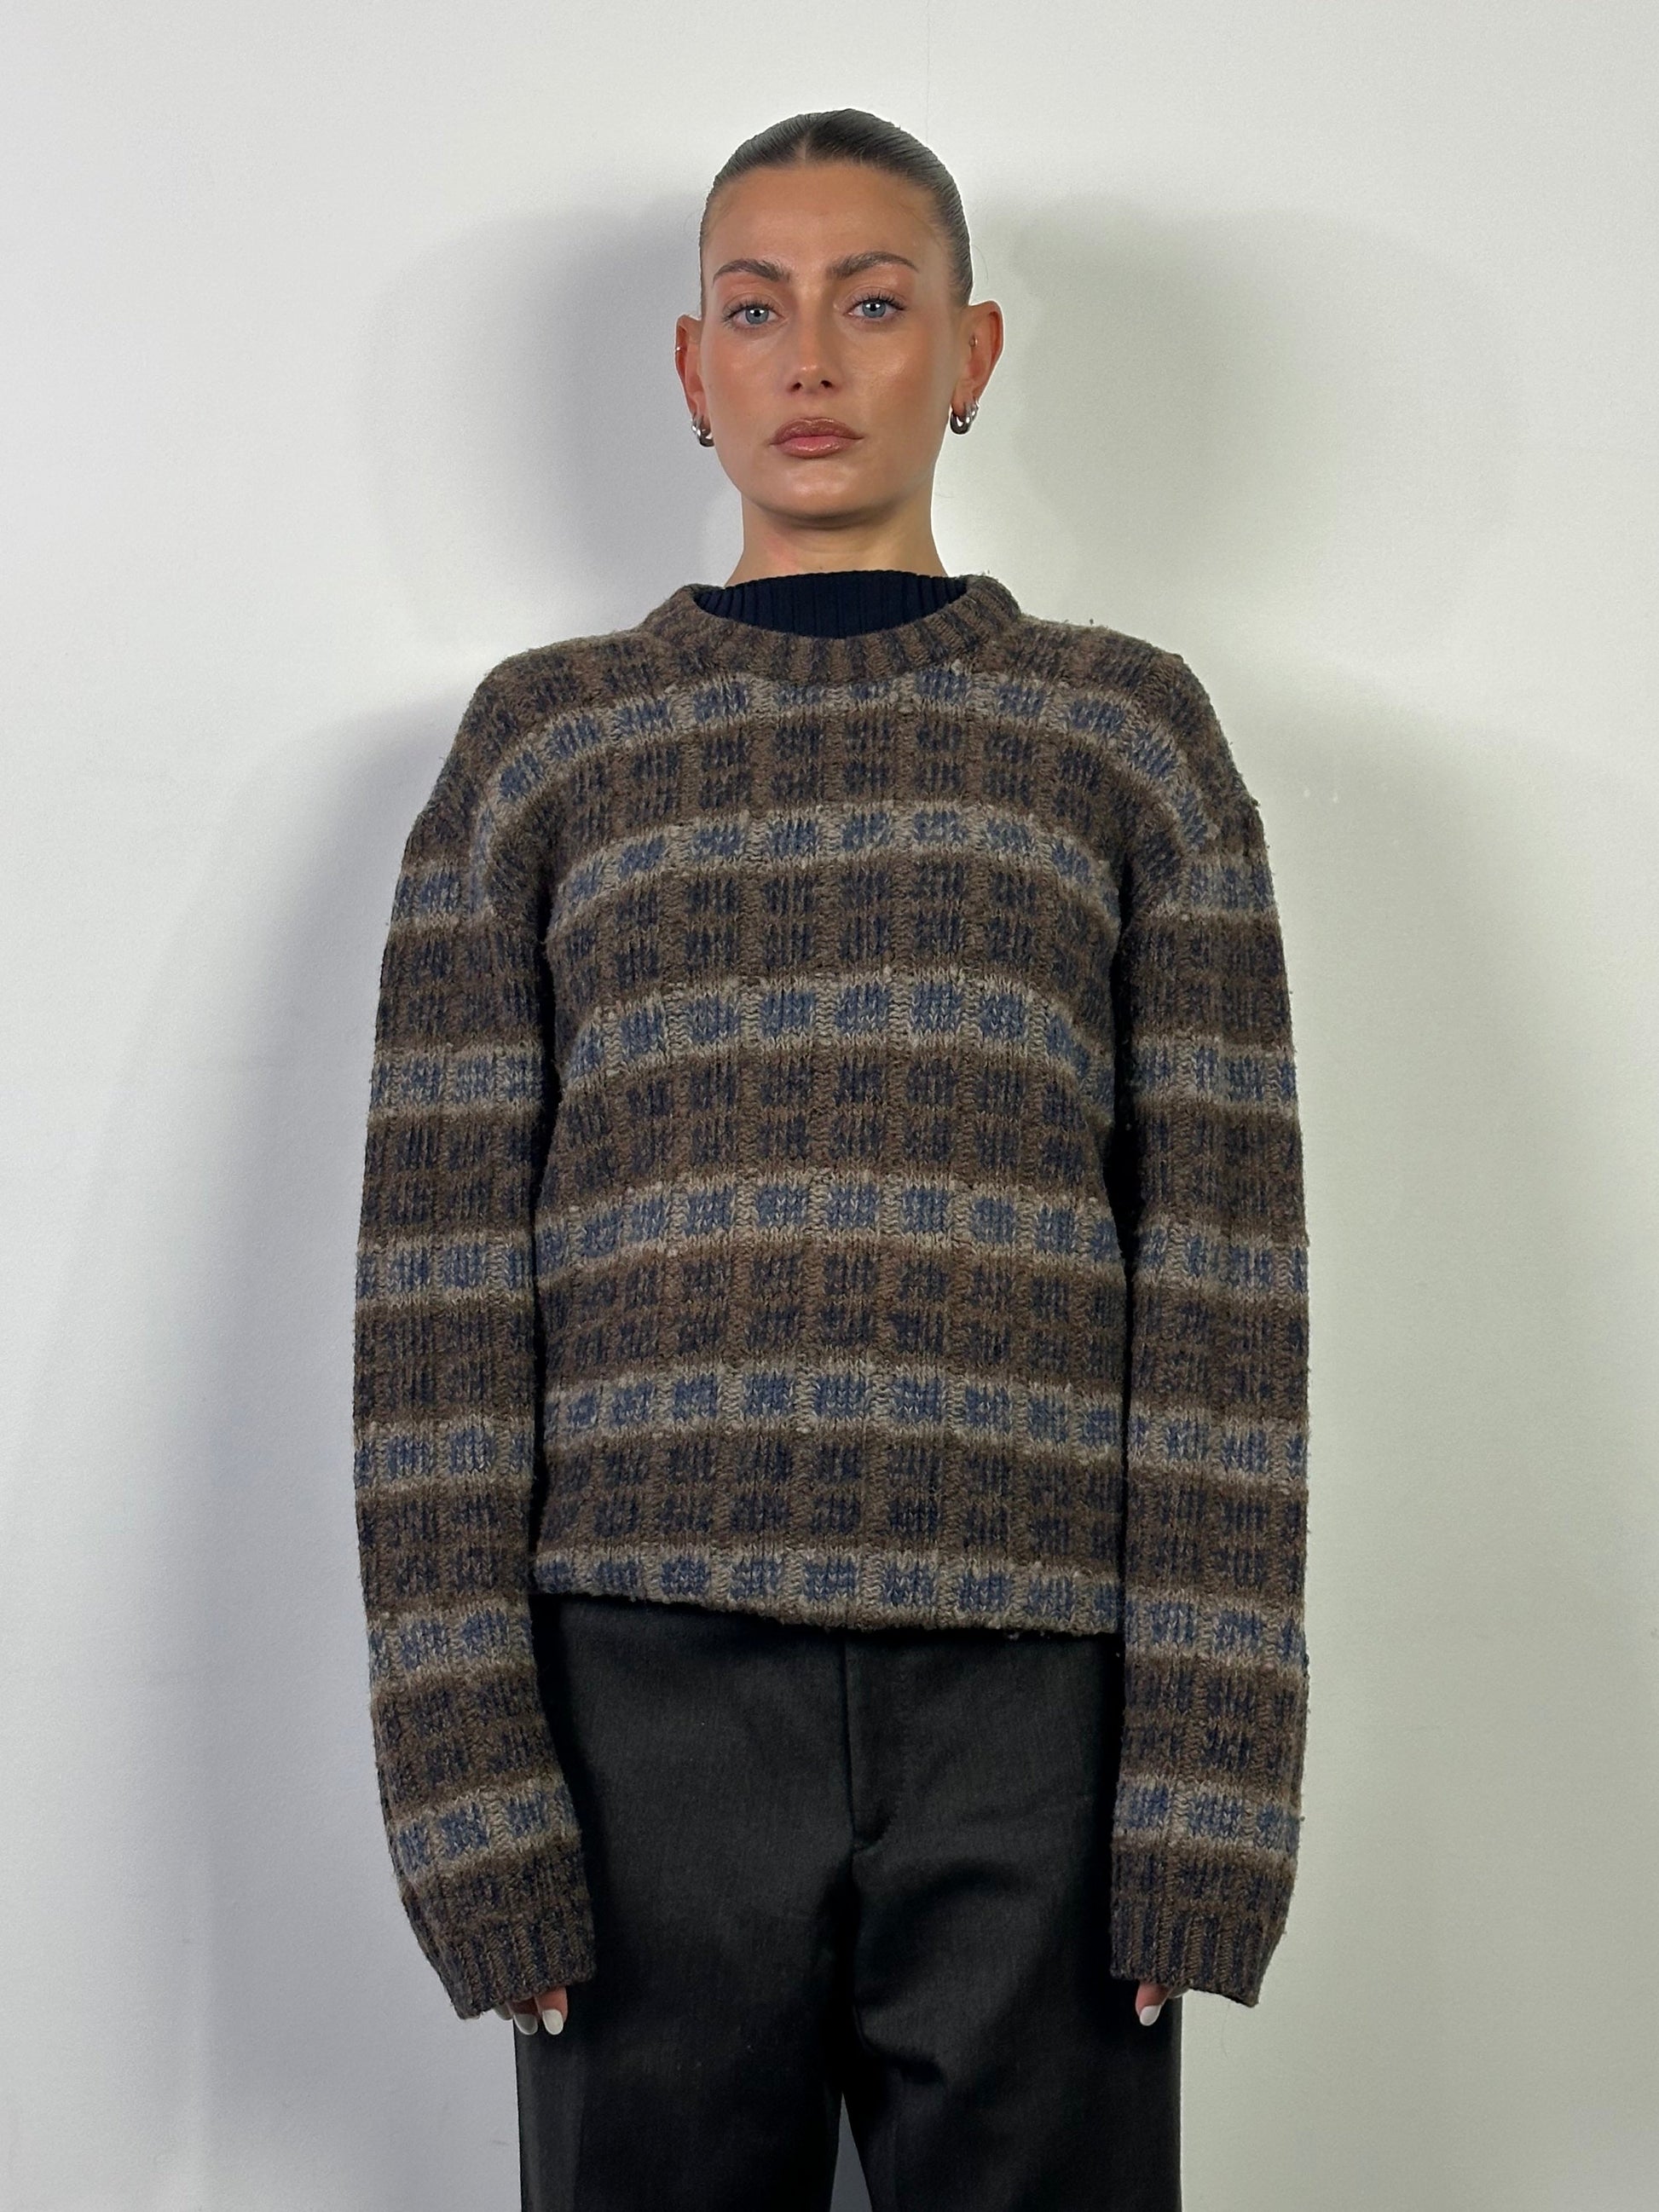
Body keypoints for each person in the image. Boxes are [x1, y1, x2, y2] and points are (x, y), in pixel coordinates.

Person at [351, 107, 1311, 2211]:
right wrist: (471, 1791)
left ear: (969, 353)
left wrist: (1206, 1795)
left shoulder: (1122, 735)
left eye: (872, 305)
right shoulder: (544, 744)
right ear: (689, 367)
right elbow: (435, 1296)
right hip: (636, 1712)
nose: (809, 358)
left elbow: (1227, 1282)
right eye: (755, 308)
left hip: (1038, 1715)